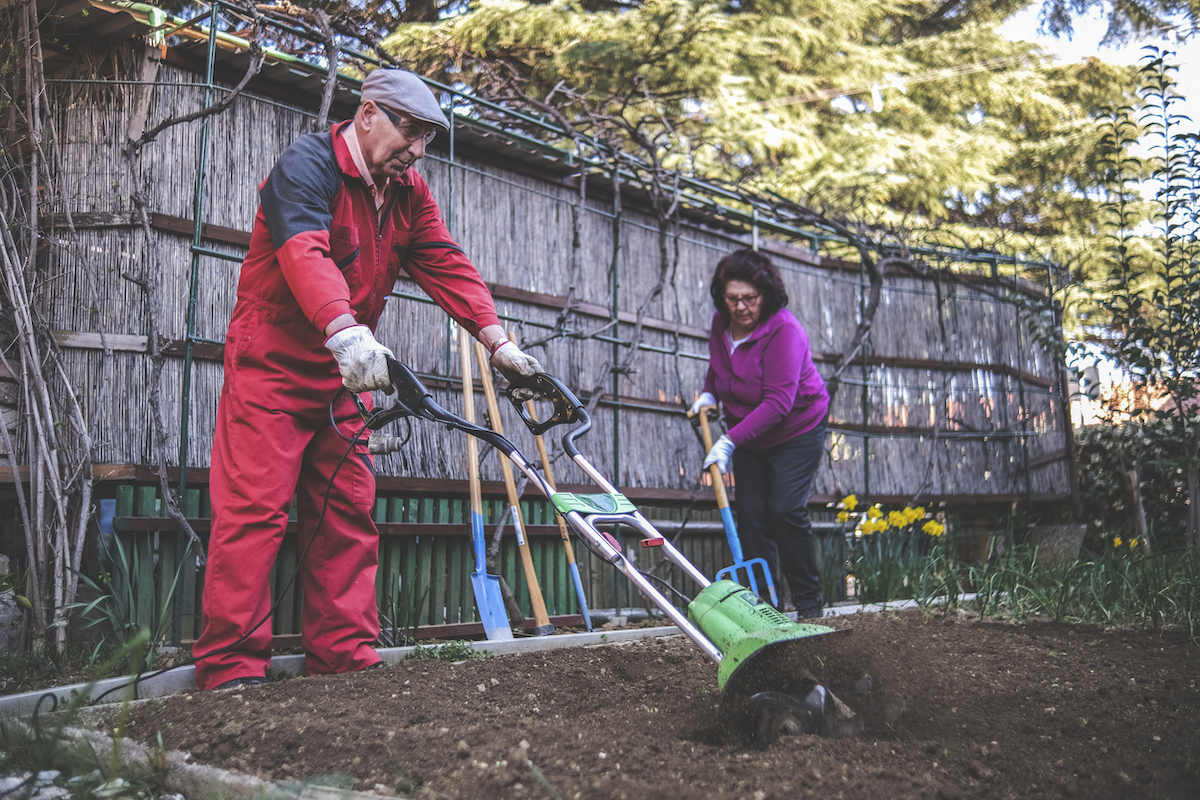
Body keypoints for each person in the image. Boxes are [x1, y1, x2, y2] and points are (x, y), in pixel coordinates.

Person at [193, 69, 542, 690]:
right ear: (368, 115)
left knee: (348, 512)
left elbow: (445, 263)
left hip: (343, 375)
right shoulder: (307, 166)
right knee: (254, 514)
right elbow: (305, 252)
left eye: (428, 138)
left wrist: (499, 341)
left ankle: (345, 656)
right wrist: (344, 330)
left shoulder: (407, 190)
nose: (417, 150)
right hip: (274, 362)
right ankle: (230, 670)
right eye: (409, 131)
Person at [691, 248, 830, 618]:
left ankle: (809, 604)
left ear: (765, 295)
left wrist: (729, 440)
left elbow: (778, 402)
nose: (740, 307)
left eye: (749, 298)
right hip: (749, 433)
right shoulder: (721, 325)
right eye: (732, 298)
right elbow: (719, 367)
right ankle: (766, 605)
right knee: (752, 518)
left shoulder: (784, 330)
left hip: (797, 428)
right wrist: (709, 392)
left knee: (785, 510)